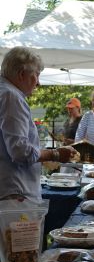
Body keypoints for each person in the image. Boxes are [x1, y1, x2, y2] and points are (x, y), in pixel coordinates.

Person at [0, 47, 78, 202]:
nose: (39, 83)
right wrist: (55, 154)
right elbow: (20, 151)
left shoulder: (5, 92)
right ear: (22, 74)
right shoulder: (11, 96)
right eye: (36, 75)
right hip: (16, 194)